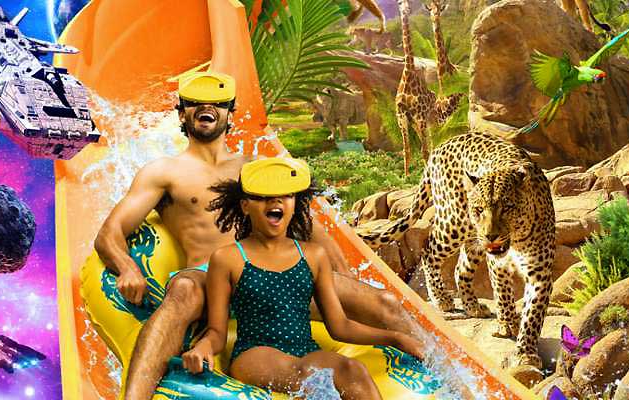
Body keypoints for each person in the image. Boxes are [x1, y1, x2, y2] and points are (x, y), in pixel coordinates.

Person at [94, 71, 422, 400]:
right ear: (182, 113)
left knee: (385, 303)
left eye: (218, 104)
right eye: (195, 103)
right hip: (207, 278)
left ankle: (451, 381)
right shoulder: (164, 172)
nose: (207, 108)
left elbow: (310, 228)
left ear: (229, 113)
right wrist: (126, 267)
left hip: (270, 276)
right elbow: (110, 232)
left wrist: (347, 284)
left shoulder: (255, 170)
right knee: (182, 291)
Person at [181, 157, 423, 399]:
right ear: (245, 206)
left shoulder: (313, 255)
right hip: (256, 353)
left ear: (295, 204)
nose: (275, 201)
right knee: (311, 379)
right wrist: (204, 346)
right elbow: (216, 332)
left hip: (305, 350)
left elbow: (340, 326)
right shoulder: (228, 258)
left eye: (285, 195)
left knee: (353, 369)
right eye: (264, 197)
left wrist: (395, 337)